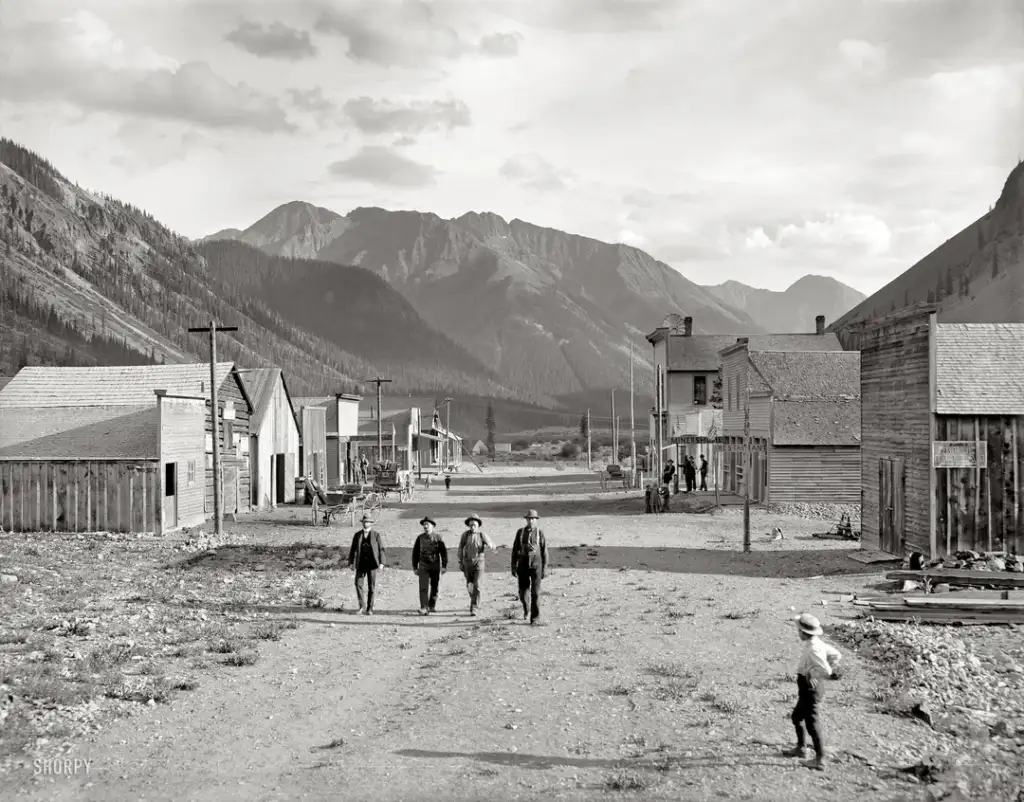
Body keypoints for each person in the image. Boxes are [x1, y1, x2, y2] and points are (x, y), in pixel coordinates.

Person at [785, 613, 842, 770]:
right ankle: (801, 748)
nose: (798, 634)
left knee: (812, 723)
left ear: (804, 633)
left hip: (811, 688)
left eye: (799, 631)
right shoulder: (817, 644)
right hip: (807, 688)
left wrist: (815, 674)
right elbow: (837, 654)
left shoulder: (814, 649)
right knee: (797, 716)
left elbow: (827, 670)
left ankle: (820, 759)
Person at [511, 509, 548, 625]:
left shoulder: (540, 533)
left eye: (533, 519)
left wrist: (545, 569)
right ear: (526, 520)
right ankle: (526, 608)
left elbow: (544, 552)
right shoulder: (520, 532)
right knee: (523, 593)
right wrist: (513, 566)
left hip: (536, 566)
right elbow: (514, 550)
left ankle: (535, 618)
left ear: (536, 520)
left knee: (536, 593)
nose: (531, 521)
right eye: (529, 518)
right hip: (522, 565)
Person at [346, 513, 386, 615]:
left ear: (371, 523)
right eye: (364, 522)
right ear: (362, 523)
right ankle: (361, 606)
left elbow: (381, 549)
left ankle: (370, 608)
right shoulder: (357, 535)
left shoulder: (376, 535)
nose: (366, 523)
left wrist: (382, 562)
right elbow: (353, 549)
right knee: (358, 584)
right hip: (361, 564)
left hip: (372, 564)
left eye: (368, 522)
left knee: (371, 586)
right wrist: (351, 562)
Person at [458, 513, 495, 616]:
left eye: (474, 525)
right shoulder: (465, 535)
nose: (473, 527)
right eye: (471, 525)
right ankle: (474, 599)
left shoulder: (482, 535)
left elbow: (490, 543)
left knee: (477, 584)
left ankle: (474, 607)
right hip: (467, 563)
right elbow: (460, 548)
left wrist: (491, 545)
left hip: (479, 562)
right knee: (470, 585)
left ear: (478, 525)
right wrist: (460, 561)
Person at [412, 516, 447, 615]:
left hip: (435, 565)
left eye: (427, 524)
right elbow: (415, 553)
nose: (425, 526)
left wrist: (444, 566)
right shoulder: (420, 538)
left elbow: (443, 553)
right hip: (423, 566)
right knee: (423, 587)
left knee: (434, 586)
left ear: (432, 526)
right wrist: (415, 567)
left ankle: (432, 605)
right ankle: (424, 607)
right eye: (424, 525)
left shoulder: (438, 537)